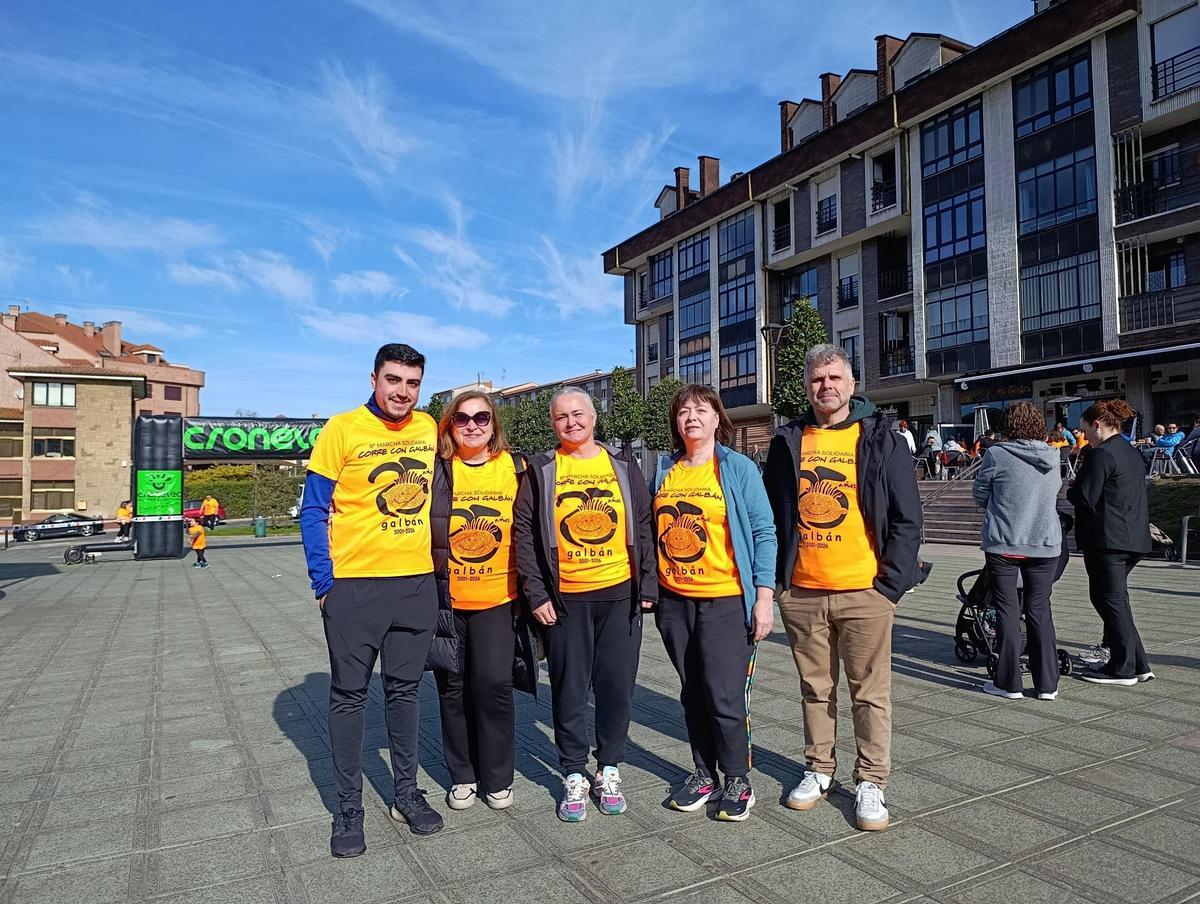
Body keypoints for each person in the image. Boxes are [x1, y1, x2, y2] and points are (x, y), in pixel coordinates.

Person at [765, 344, 922, 833]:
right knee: (815, 688)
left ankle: (871, 779)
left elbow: (907, 517)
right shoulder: (788, 440)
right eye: (817, 379)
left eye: (835, 377)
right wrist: (779, 583)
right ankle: (819, 768)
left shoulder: (881, 437)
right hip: (803, 591)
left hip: (864, 591)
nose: (825, 386)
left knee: (869, 693)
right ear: (807, 386)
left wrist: (888, 586)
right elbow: (771, 517)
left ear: (852, 385)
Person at [300, 343, 447, 857]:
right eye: (393, 380)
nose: (402, 392)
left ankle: (406, 794)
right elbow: (313, 510)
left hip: (415, 585)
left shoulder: (429, 428)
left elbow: (478, 450)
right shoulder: (341, 430)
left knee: (406, 695)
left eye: (411, 383)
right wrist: (324, 584)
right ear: (374, 378)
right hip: (354, 589)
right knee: (349, 697)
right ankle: (348, 808)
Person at [513, 387, 656, 823]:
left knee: (616, 688)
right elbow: (523, 535)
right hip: (565, 601)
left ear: (594, 418)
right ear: (553, 424)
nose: (571, 423)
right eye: (561, 417)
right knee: (569, 691)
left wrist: (646, 583)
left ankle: (608, 767)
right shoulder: (540, 471)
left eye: (578, 414)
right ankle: (573, 772)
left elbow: (645, 523)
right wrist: (536, 595)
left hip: (619, 597)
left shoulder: (621, 464)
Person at [652, 385, 777, 822]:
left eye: (701, 410)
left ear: (716, 418)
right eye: (683, 411)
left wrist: (764, 596)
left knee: (723, 695)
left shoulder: (738, 467)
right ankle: (703, 773)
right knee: (691, 693)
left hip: (725, 601)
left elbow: (764, 532)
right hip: (676, 602)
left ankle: (737, 778)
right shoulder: (664, 468)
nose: (691, 418)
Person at [434, 390, 531, 813]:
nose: (472, 425)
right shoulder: (437, 470)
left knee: (493, 686)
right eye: (462, 419)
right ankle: (462, 776)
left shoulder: (515, 467)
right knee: (452, 688)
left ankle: (497, 777)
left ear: (494, 424)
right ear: (449, 425)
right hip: (445, 599)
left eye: (481, 418)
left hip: (498, 597)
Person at [972, 402, 1062, 701]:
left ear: (1007, 426)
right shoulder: (1054, 455)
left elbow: (980, 494)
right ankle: (1048, 684)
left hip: (1005, 541)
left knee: (1007, 610)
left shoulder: (997, 454)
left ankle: (1008, 682)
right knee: (1040, 611)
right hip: (1045, 541)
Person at [1067, 399, 1154, 686]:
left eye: (1085, 431)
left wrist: (1071, 489)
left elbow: (1084, 497)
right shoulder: (1130, 451)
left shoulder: (1101, 454)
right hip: (1132, 536)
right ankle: (1138, 663)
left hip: (1108, 538)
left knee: (1107, 599)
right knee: (1117, 601)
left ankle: (1123, 667)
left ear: (1097, 425)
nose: (1084, 438)